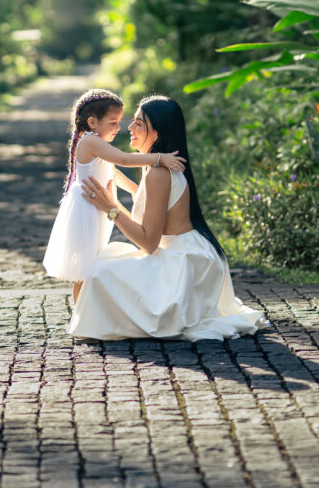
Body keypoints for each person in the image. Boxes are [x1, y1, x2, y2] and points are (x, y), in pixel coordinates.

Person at [71, 95, 268, 341]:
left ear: (158, 132)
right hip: (184, 254)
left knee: (98, 272)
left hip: (182, 263)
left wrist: (111, 209)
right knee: (104, 259)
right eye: (133, 121)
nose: (129, 128)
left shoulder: (158, 173)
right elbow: (145, 217)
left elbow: (148, 242)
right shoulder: (152, 168)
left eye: (139, 123)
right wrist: (112, 200)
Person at [42, 89, 186, 302]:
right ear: (92, 122)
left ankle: (83, 308)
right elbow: (123, 160)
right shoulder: (90, 141)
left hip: (95, 209)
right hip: (88, 209)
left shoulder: (97, 144)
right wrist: (159, 158)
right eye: (113, 122)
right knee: (85, 266)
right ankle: (79, 311)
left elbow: (113, 172)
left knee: (90, 262)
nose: (119, 128)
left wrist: (137, 191)